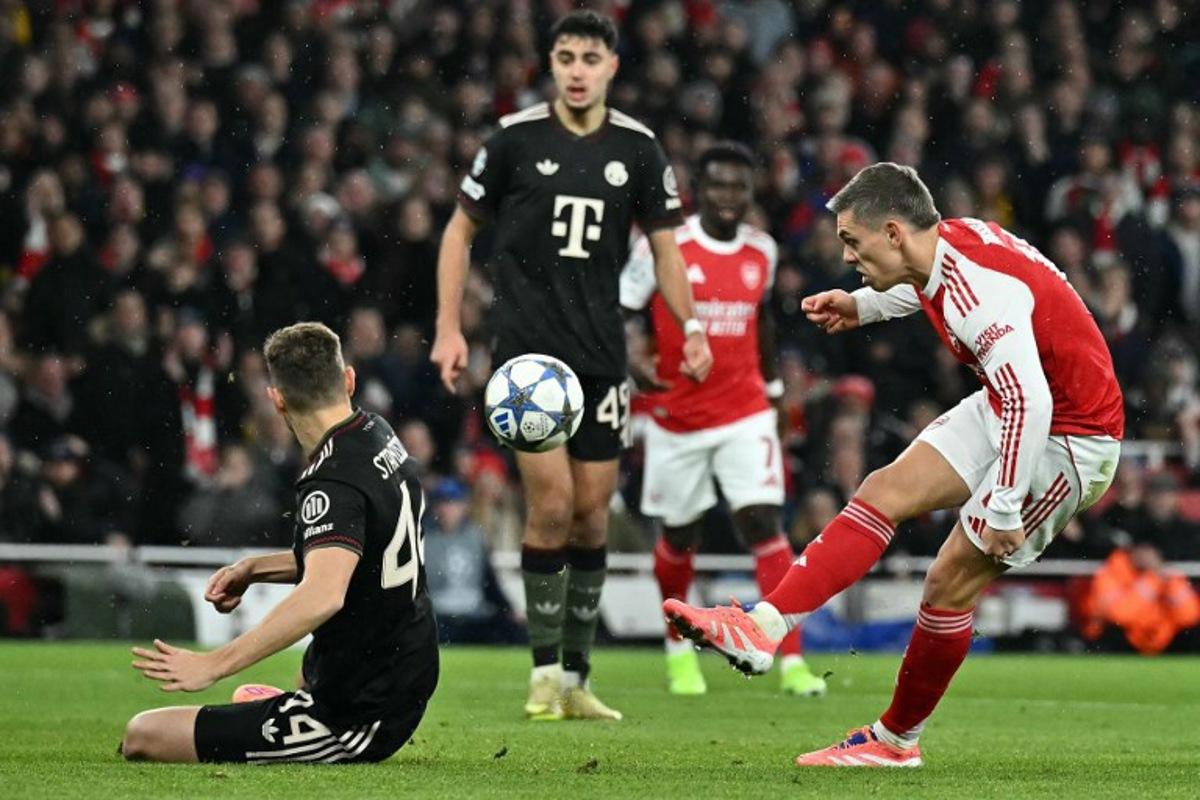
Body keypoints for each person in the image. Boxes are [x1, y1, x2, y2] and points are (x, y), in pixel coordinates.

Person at [664, 162, 1124, 767]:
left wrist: (1006, 503)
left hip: (1071, 438)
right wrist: (862, 306)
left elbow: (1031, 402)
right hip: (1014, 401)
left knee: (947, 583)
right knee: (882, 491)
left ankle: (896, 741)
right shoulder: (947, 244)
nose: (848, 255)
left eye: (853, 242)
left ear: (892, 232)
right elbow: (927, 287)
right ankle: (763, 628)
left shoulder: (977, 294)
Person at [431, 10, 712, 722]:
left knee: (591, 519)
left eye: (590, 57)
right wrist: (448, 329)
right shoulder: (514, 140)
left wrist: (693, 327)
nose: (578, 69)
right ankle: (543, 674)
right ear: (550, 64)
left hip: (602, 357)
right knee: (551, 506)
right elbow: (459, 231)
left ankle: (580, 677)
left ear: (612, 66)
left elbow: (668, 250)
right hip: (529, 359)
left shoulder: (639, 150)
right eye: (565, 57)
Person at [121, 322, 438, 764]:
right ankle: (285, 705)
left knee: (143, 734)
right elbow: (361, 551)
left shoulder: (332, 481)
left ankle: (295, 717)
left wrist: (214, 664)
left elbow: (322, 595)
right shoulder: (376, 433)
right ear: (348, 378)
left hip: (358, 715)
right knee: (312, 667)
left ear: (277, 399)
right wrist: (254, 568)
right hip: (409, 669)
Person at [620, 142, 825, 697]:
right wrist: (634, 362)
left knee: (764, 522)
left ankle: (791, 659)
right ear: (698, 190)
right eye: (718, 186)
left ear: (751, 191)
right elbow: (622, 308)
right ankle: (678, 652)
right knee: (679, 535)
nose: (728, 197)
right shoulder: (667, 248)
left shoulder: (763, 249)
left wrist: (778, 393)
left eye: (738, 186)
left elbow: (761, 324)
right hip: (676, 418)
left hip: (745, 411)